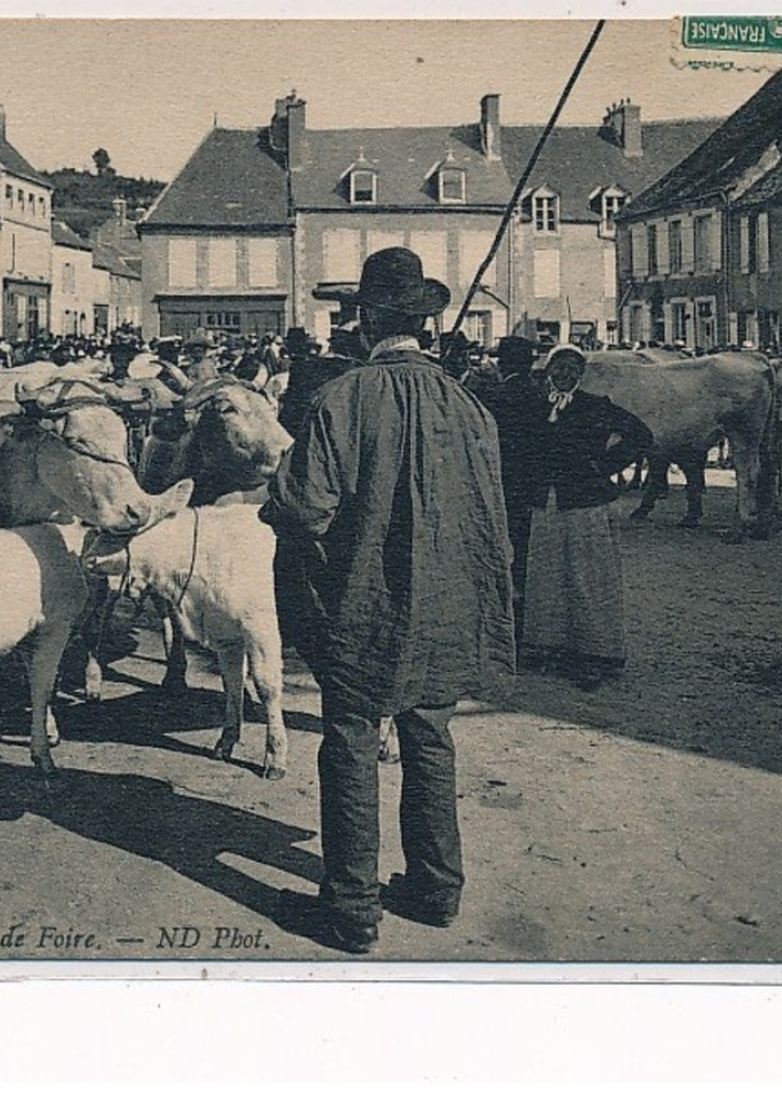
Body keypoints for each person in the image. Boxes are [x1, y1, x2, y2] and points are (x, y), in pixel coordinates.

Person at [260, 247, 515, 954]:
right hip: (446, 606)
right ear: (425, 323)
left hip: (363, 607)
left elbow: (301, 508)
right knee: (428, 737)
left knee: (348, 744)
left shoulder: (341, 399)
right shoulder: (468, 406)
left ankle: (350, 907)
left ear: (367, 319)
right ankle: (435, 889)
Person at [519, 345, 652, 689]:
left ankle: (596, 654)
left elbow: (641, 436)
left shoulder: (596, 406)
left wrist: (603, 467)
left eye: (570, 368)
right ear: (548, 371)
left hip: (585, 504)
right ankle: (551, 647)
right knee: (547, 576)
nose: (563, 374)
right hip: (545, 505)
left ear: (581, 374)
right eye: (557, 367)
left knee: (586, 578)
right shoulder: (535, 407)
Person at [486, 335, 548, 633]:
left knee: (505, 553)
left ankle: (508, 623)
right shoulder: (541, 394)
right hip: (534, 486)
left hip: (504, 484)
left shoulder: (498, 395)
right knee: (527, 553)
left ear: (503, 363)